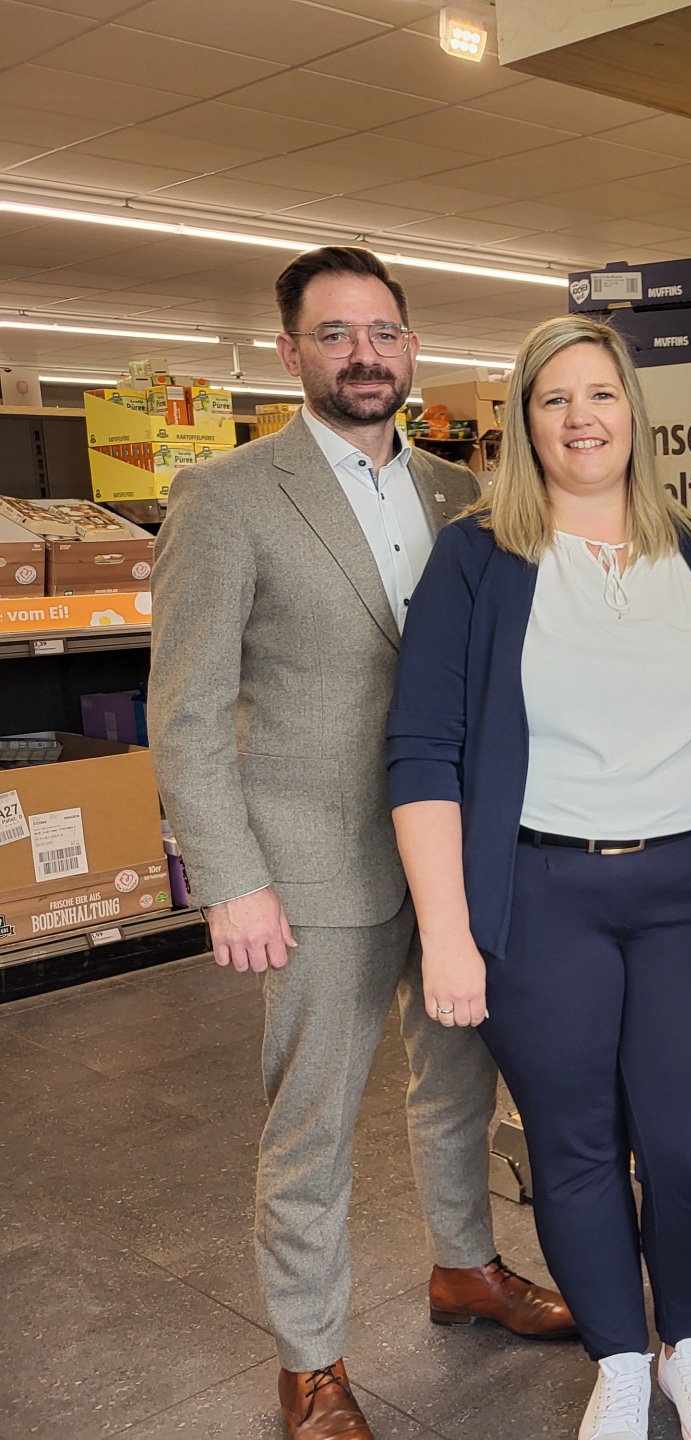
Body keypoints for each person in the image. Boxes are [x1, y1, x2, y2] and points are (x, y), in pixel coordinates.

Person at [148, 247, 573, 1440]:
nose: (364, 354)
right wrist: (229, 880)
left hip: (451, 859)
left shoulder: (460, 495)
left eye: (382, 331)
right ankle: (312, 1364)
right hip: (312, 865)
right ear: (291, 352)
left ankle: (465, 1268)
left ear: (413, 347)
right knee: (312, 1121)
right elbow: (180, 711)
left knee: (459, 1084)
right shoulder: (225, 497)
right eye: (335, 335)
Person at [386, 313, 691, 1440]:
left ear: (633, 414)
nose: (580, 418)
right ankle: (616, 1352)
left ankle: (687, 1346)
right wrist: (448, 933)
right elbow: (422, 752)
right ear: (523, 420)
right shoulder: (477, 558)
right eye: (553, 399)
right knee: (574, 1141)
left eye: (599, 394)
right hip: (541, 894)